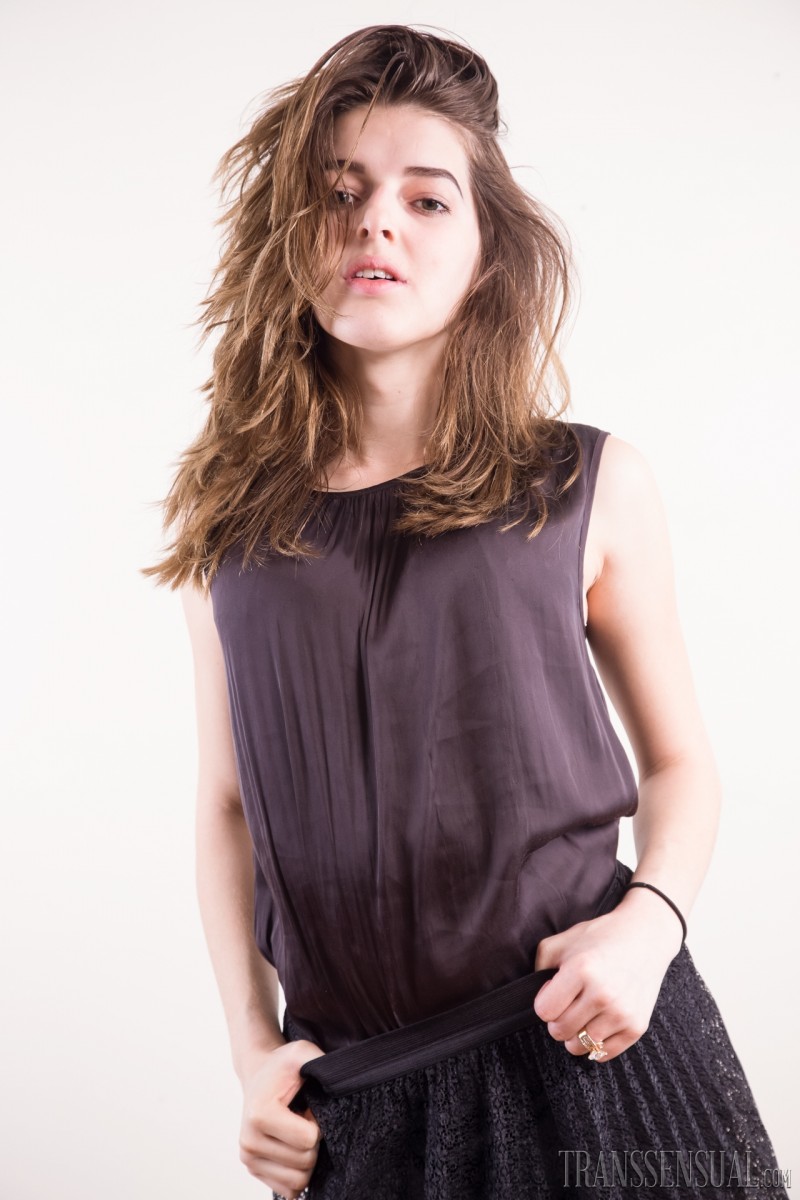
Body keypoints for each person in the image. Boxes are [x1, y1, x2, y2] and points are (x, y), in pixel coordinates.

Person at [143, 24, 787, 1200]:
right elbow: (228, 806)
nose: (375, 223)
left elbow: (680, 762)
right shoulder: (223, 527)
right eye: (338, 193)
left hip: (589, 1051)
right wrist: (249, 1051)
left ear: (486, 255)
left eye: (426, 199)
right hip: (356, 1103)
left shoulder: (587, 483)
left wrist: (647, 927)